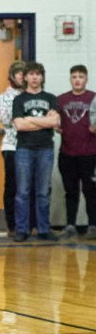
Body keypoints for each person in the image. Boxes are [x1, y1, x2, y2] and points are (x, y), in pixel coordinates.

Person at [12, 61, 60, 242]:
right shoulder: (19, 99)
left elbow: (55, 122)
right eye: (31, 74)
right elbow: (19, 125)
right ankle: (22, 230)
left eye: (38, 74)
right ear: (25, 77)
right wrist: (43, 121)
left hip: (45, 149)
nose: (35, 77)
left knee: (43, 191)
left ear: (42, 77)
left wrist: (29, 120)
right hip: (24, 149)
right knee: (22, 192)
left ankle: (43, 229)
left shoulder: (51, 98)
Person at [56, 65, 96, 239]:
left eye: (81, 76)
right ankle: (70, 225)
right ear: (70, 79)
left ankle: (93, 226)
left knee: (90, 191)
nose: (77, 80)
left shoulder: (93, 98)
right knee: (71, 192)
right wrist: (55, 125)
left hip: (89, 154)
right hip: (67, 153)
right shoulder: (61, 99)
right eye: (74, 76)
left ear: (86, 79)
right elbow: (54, 119)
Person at [0, 60, 26, 236]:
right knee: (12, 186)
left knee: (29, 187)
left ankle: (29, 224)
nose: (22, 77)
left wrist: (25, 120)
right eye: (19, 74)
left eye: (24, 74)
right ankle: (12, 225)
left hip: (30, 145)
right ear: (12, 77)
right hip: (12, 145)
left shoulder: (32, 95)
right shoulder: (5, 96)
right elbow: (7, 119)